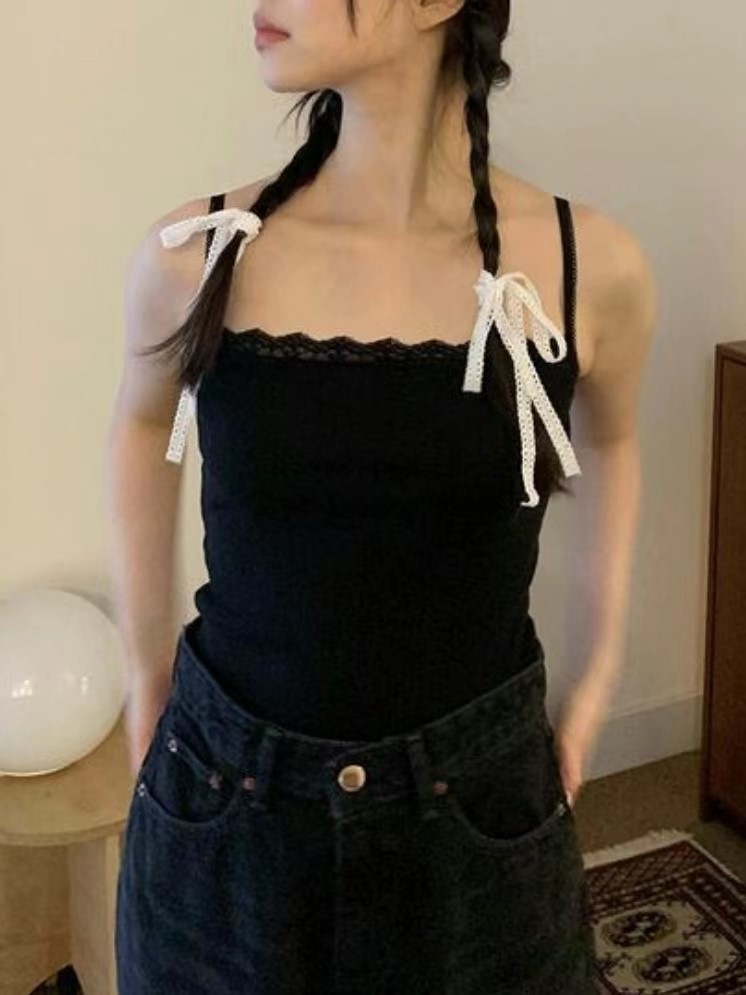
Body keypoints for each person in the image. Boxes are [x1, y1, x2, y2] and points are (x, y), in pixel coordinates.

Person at [107, 0, 657, 991]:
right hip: (226, 802)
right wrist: (145, 674)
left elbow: (610, 441)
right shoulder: (198, 250)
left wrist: (595, 675)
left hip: (478, 815)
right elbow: (143, 427)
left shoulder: (588, 265)